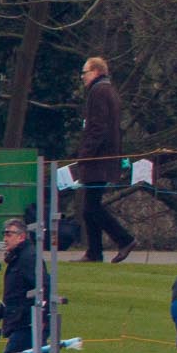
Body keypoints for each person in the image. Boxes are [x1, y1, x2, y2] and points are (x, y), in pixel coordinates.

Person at [74, 55, 135, 262]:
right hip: (104, 158)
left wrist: (85, 154)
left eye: (85, 72)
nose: (83, 76)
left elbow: (98, 128)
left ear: (96, 72)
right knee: (89, 207)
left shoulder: (99, 91)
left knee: (92, 207)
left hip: (97, 160)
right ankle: (94, 251)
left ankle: (124, 239)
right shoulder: (108, 90)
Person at [0, 218, 41, 353]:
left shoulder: (28, 258)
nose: (5, 239)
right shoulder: (19, 258)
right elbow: (13, 298)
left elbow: (42, 287)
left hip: (27, 324)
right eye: (4, 234)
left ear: (21, 236)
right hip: (23, 322)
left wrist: (41, 317)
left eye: (9, 234)